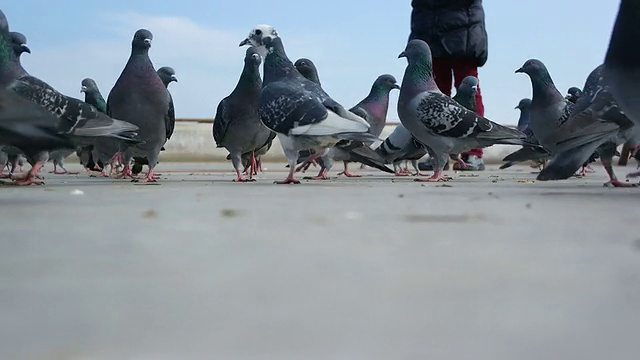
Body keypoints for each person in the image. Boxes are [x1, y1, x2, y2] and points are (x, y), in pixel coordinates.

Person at [411, 0, 488, 171]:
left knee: (469, 90)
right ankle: (438, 154)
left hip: (464, 29)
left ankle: (474, 153)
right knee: (433, 95)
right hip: (429, 29)